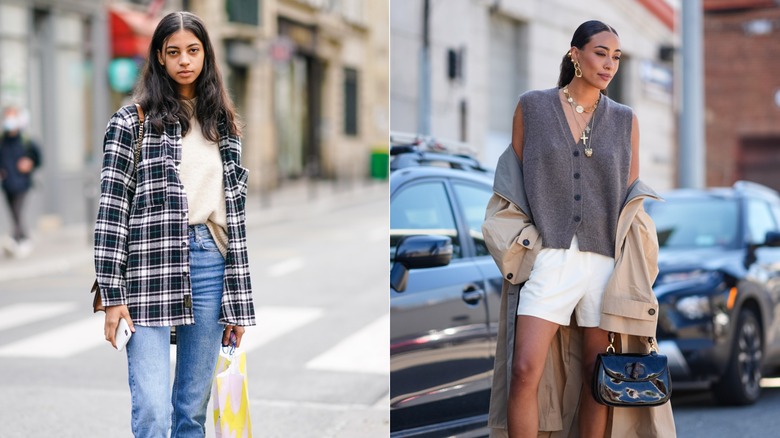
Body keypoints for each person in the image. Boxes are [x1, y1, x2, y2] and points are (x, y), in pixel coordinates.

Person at [482, 21, 676, 437]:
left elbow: (630, 200)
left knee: (597, 375)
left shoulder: (626, 121)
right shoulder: (532, 107)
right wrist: (523, 244)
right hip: (549, 258)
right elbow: (511, 188)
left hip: (604, 265)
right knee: (524, 369)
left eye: (617, 57)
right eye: (601, 53)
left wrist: (635, 271)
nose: (609, 64)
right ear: (575, 54)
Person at [94, 11, 255, 438]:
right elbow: (111, 213)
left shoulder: (223, 125)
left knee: (190, 412)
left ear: (206, 55)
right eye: (173, 52)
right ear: (160, 58)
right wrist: (112, 296)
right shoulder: (132, 122)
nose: (184, 60)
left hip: (209, 264)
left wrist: (237, 301)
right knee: (152, 410)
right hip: (147, 268)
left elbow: (233, 222)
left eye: (193, 50)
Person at [0, 106, 41, 257]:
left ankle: (15, 239)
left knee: (17, 211)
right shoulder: (2, 140)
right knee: (14, 214)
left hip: (23, 184)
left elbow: (37, 157)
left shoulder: (26, 140)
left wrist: (29, 162)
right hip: (7, 184)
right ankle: (24, 239)